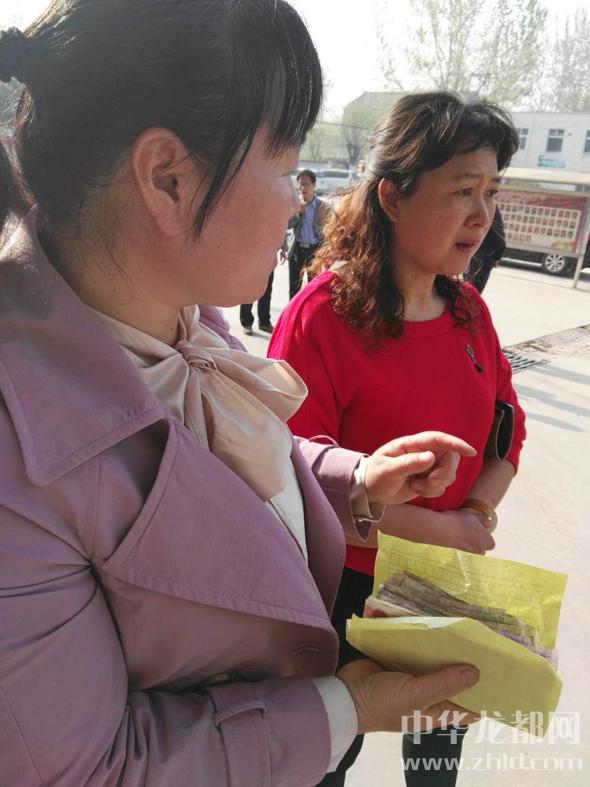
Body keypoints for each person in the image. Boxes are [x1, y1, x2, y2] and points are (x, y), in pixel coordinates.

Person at [0, 9, 482, 787]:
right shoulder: (15, 452)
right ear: (169, 180)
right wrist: (346, 707)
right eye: (286, 163)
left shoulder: (183, 310)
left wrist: (355, 480)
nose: (299, 200)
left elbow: (226, 468)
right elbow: (87, 767)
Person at [269, 92, 527, 786]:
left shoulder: (469, 313)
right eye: (463, 190)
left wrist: (476, 513)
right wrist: (438, 529)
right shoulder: (321, 317)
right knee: (326, 758)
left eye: (492, 192)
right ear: (391, 196)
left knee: (438, 753)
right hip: (343, 589)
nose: (483, 214)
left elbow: (507, 431)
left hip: (446, 584)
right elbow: (289, 480)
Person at [288, 168, 330, 298]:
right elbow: (288, 225)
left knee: (313, 291)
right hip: (297, 251)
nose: (303, 188)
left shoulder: (322, 206)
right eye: (300, 184)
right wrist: (298, 213)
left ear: (314, 185)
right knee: (294, 291)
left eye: (306, 184)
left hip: (314, 252)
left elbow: (330, 229)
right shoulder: (294, 204)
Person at [464, 206, 505, 293]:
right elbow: (499, 237)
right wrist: (497, 256)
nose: (485, 221)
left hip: (480, 256)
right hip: (486, 256)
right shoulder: (490, 208)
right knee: (472, 293)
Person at [239, 270, 275, 335]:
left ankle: (264, 322)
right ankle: (246, 322)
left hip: (267, 264)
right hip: (251, 264)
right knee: (249, 288)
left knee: (266, 289)